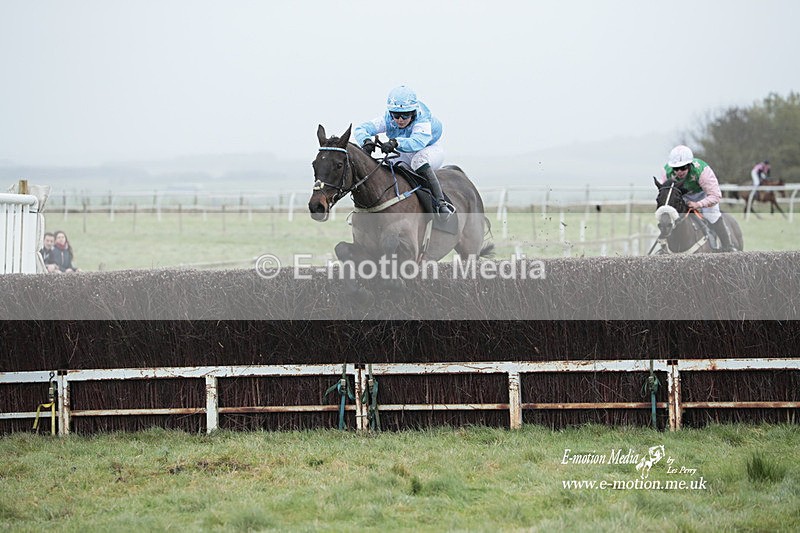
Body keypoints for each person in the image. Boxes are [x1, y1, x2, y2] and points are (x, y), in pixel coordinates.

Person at [354, 85, 455, 216]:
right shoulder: (388, 119)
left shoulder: (423, 119)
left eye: (405, 115)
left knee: (418, 161)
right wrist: (366, 141)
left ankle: (441, 204)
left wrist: (395, 142)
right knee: (390, 166)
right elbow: (361, 129)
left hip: (429, 148)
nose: (400, 119)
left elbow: (417, 142)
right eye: (396, 115)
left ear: (413, 112)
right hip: (406, 151)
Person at [657, 145, 737, 252]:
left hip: (704, 195)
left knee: (712, 215)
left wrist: (698, 204)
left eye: (683, 168)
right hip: (680, 197)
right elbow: (665, 195)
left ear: (690, 165)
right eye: (676, 169)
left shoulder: (702, 171)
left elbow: (716, 195)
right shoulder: (666, 172)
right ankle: (663, 247)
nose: (679, 172)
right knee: (667, 217)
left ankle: (728, 247)